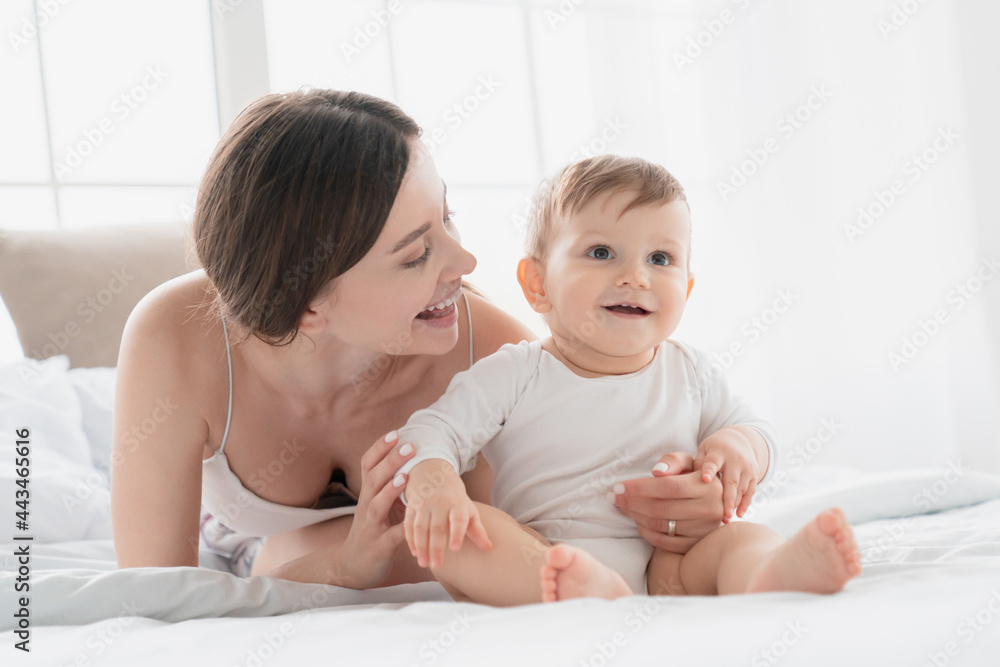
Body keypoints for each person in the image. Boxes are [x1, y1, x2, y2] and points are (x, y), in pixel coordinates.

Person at [110, 89, 717, 587]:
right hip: (242, 545)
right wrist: (340, 566)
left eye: (446, 218)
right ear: (307, 305)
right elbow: (151, 588)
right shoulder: (176, 340)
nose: (467, 263)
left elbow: (561, 524)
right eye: (416, 255)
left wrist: (680, 499)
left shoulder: (493, 354)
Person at [396, 155, 863, 604]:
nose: (636, 276)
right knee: (457, 533)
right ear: (538, 284)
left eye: (660, 258)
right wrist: (437, 479)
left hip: (671, 566)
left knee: (741, 538)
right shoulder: (515, 373)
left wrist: (741, 446)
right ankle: (570, 589)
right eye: (601, 252)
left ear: (686, 289)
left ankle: (769, 573)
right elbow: (430, 430)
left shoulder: (690, 371)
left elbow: (758, 432)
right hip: (543, 552)